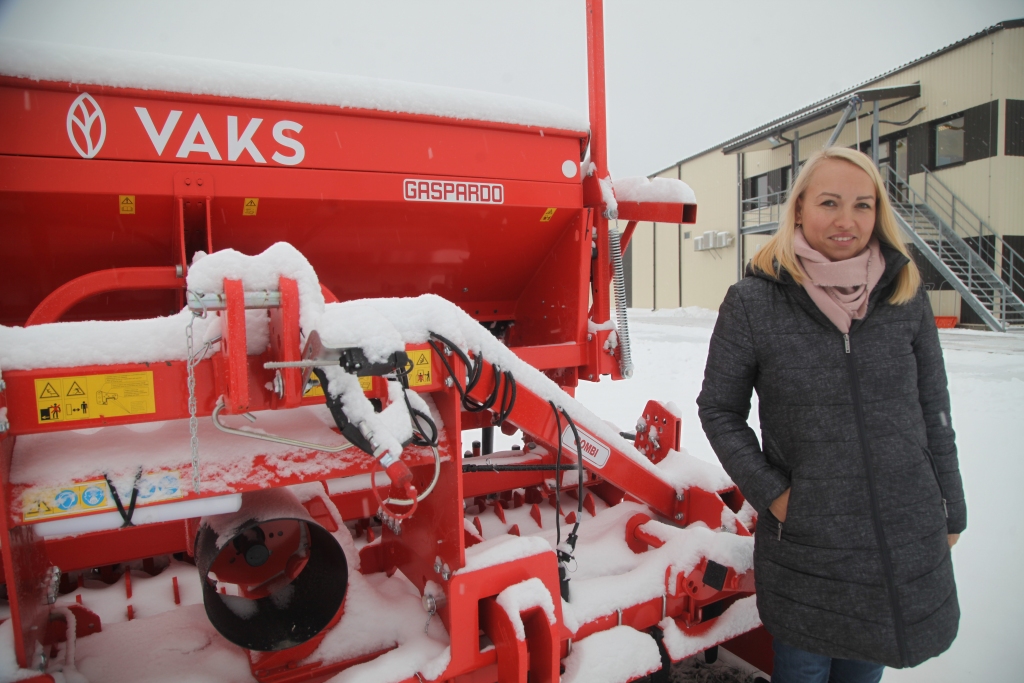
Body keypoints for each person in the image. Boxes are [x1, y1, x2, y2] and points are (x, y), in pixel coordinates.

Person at [697, 146, 966, 683]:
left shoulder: (904, 296)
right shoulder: (754, 302)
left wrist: (950, 507)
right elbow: (719, 410)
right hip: (810, 549)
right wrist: (775, 494)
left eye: (862, 205)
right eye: (829, 202)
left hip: (899, 533)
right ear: (799, 210)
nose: (847, 220)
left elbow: (934, 410)